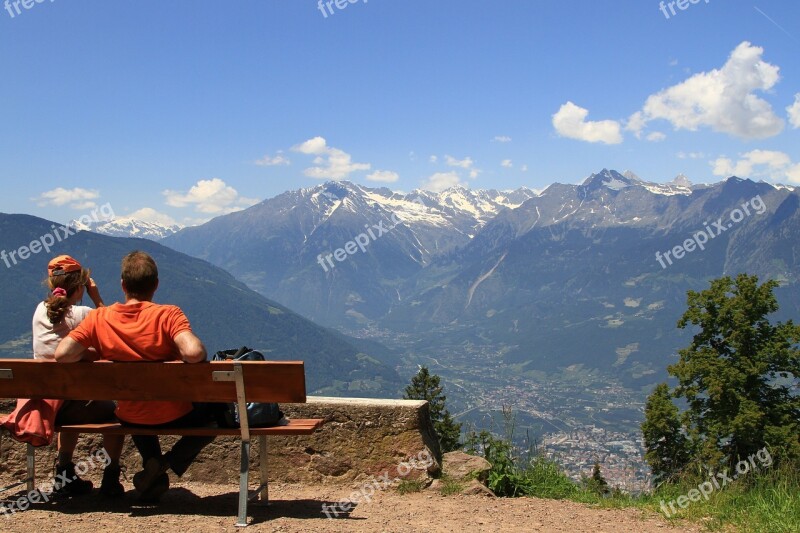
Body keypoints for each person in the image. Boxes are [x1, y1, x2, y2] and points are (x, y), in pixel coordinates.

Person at [54, 250, 214, 502]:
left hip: (131, 417)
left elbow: (63, 354)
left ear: (123, 285)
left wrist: (100, 352)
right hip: (175, 414)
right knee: (217, 415)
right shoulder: (168, 315)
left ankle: (153, 469)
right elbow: (194, 353)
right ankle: (164, 463)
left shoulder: (99, 318)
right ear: (156, 285)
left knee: (137, 407)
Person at [31, 255, 126, 497]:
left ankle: (64, 472)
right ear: (81, 285)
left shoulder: (40, 310)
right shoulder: (84, 313)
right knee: (115, 411)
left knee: (70, 397)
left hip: (45, 405)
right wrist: (96, 297)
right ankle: (111, 477)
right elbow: (114, 327)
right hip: (73, 405)